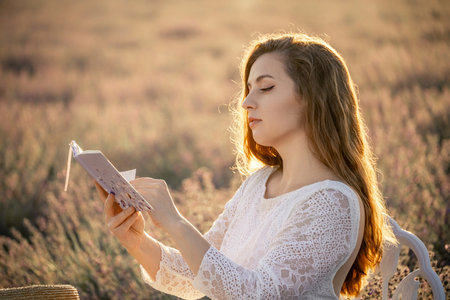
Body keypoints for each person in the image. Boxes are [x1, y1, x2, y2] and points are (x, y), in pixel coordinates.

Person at [95, 32, 397, 299]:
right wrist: (137, 242)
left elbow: (256, 294)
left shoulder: (332, 202)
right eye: (248, 88)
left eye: (265, 88)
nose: (246, 102)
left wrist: (175, 222)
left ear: (312, 98)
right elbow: (200, 275)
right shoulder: (259, 183)